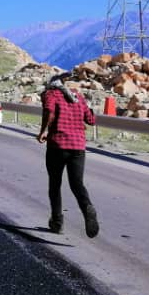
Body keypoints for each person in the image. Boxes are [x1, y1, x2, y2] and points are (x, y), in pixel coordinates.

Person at [37, 72, 99, 237]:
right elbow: (91, 120)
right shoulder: (77, 96)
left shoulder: (51, 94)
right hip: (78, 146)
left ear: (51, 84)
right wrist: (88, 107)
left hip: (57, 145)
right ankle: (87, 208)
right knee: (77, 184)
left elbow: (49, 112)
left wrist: (43, 131)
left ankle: (57, 222)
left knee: (55, 184)